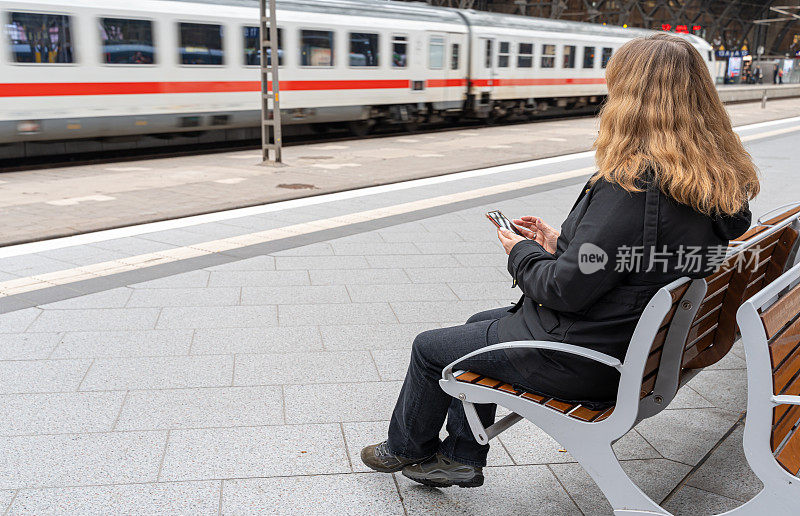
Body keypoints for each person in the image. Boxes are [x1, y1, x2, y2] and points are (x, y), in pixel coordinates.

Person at [361, 33, 758, 488]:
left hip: (588, 357)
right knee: (475, 323)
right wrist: (559, 242)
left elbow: (563, 292)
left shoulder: (633, 184)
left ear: (629, 97)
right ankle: (460, 456)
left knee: (430, 348)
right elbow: (638, 257)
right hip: (633, 341)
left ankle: (407, 449)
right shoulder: (710, 179)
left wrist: (521, 252)